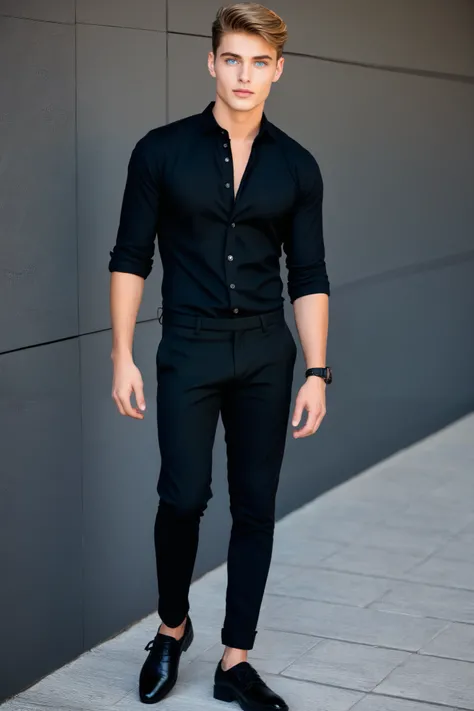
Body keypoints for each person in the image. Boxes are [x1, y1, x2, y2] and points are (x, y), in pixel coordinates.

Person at [108, 3, 331, 709]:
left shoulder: (297, 166)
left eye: (259, 61)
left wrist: (319, 370)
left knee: (256, 505)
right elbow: (129, 257)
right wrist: (122, 354)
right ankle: (173, 628)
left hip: (268, 348)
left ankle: (236, 659)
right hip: (190, 345)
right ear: (211, 61)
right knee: (183, 496)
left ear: (279, 70)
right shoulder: (160, 151)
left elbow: (312, 273)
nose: (244, 74)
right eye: (232, 58)